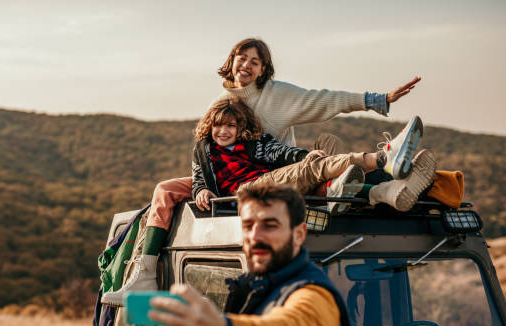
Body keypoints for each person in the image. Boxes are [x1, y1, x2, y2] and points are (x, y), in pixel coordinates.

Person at [101, 38, 421, 305]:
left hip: (276, 175)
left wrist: (377, 100)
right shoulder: (221, 103)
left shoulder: (275, 96)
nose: (247, 65)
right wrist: (200, 188)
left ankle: (382, 177)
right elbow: (204, 154)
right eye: (243, 58)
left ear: (263, 69)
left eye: (256, 62)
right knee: (164, 190)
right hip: (235, 184)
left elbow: (323, 101)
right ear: (232, 61)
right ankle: (143, 275)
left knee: (316, 166)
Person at [148, 184, 360, 326]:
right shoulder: (254, 292)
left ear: (298, 235)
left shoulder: (314, 297)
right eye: (248, 226)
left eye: (270, 226)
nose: (255, 236)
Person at [192, 98, 435, 214]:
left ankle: (378, 191)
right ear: (209, 126)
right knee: (310, 168)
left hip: (268, 180)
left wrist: (305, 155)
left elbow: (281, 152)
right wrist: (200, 192)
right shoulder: (204, 151)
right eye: (218, 126)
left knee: (328, 143)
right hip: (245, 192)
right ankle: (383, 159)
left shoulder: (253, 143)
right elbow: (199, 180)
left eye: (231, 126)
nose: (223, 131)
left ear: (240, 128)